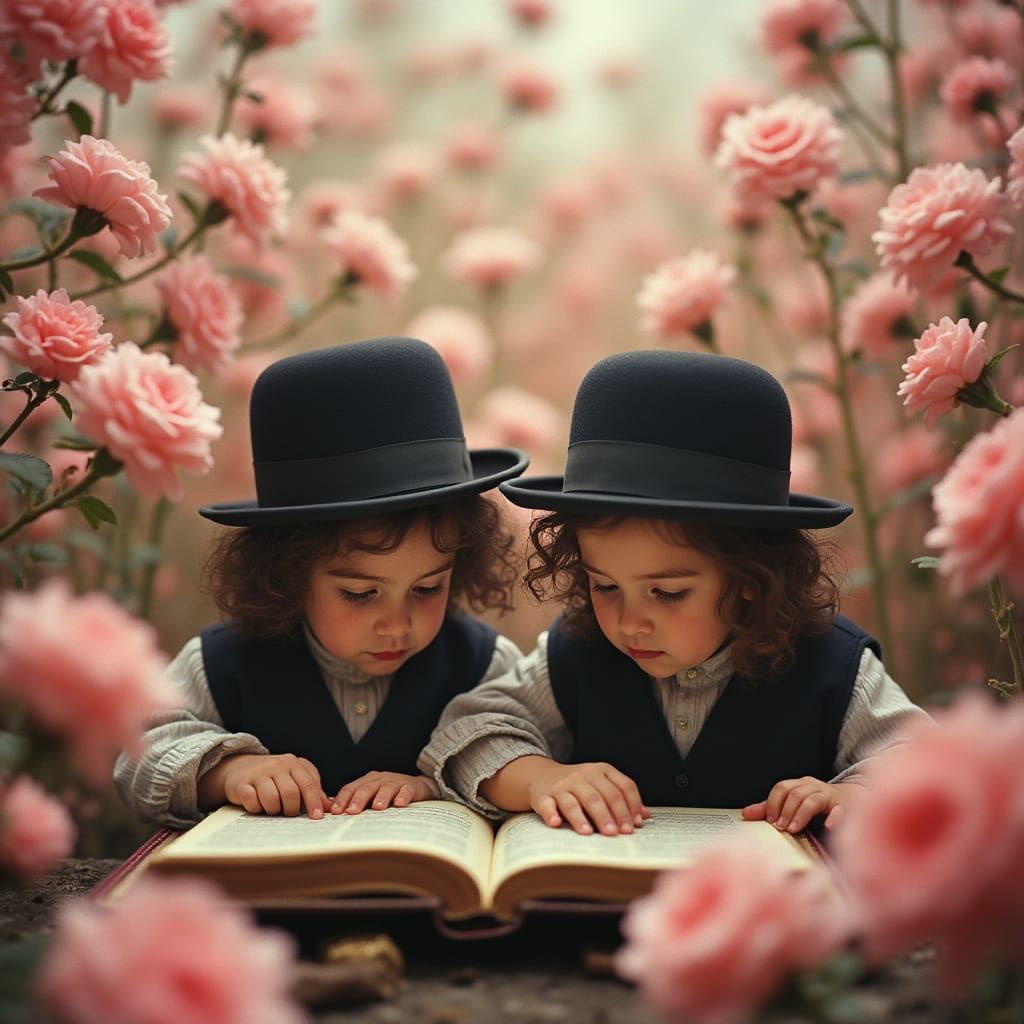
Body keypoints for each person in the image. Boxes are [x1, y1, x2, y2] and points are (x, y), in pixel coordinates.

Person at [420, 349, 929, 839]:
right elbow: (467, 731)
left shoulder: (833, 665)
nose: (629, 622)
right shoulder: (578, 652)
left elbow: (925, 762)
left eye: (666, 593)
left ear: (753, 577)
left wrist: (860, 793)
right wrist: (540, 778)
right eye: (605, 585)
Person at [115, 337, 529, 827]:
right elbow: (136, 760)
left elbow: (525, 749)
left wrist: (436, 785)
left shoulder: (483, 663)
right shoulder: (221, 664)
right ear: (286, 574)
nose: (396, 624)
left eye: (427, 588)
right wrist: (229, 771)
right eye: (359, 593)